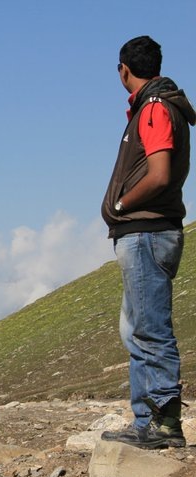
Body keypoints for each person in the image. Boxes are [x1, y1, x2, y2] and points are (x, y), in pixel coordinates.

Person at [100, 35, 196, 449]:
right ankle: (146, 421)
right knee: (137, 329)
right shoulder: (159, 105)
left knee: (149, 330)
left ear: (124, 70)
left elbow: (158, 174)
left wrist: (120, 204)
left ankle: (163, 425)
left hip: (146, 233)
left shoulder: (154, 109)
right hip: (147, 232)